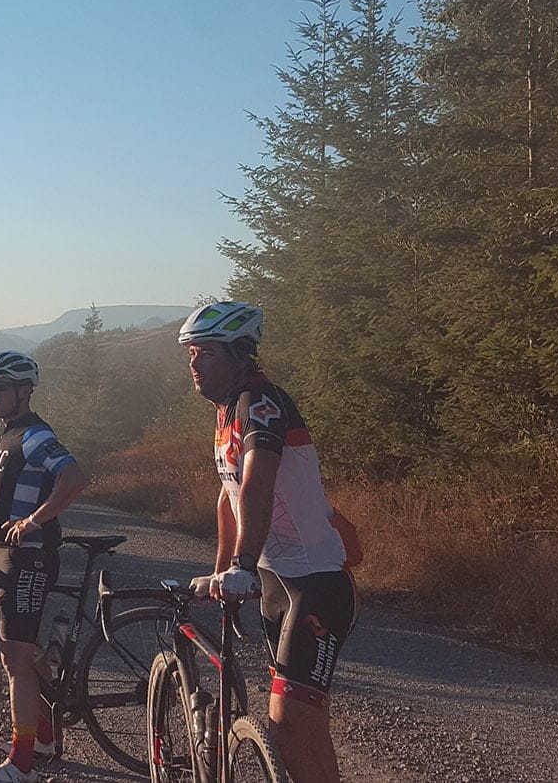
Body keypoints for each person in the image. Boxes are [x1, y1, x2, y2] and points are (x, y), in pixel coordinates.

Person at [179, 302, 359, 783]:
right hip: (275, 581)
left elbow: (258, 480)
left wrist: (239, 561)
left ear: (241, 354)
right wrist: (223, 571)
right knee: (292, 728)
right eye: (191, 354)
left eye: (206, 354)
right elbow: (229, 498)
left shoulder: (262, 403)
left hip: (315, 581)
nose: (193, 364)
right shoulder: (225, 415)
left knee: (291, 718)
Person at [0, 351, 91, 783]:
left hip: (29, 558)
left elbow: (74, 478)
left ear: (25, 390)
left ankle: (22, 765)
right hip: (8, 554)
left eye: (0, 387)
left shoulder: (36, 434)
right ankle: (41, 737)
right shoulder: (10, 435)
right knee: (16, 653)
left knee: (17, 658)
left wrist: (33, 520)